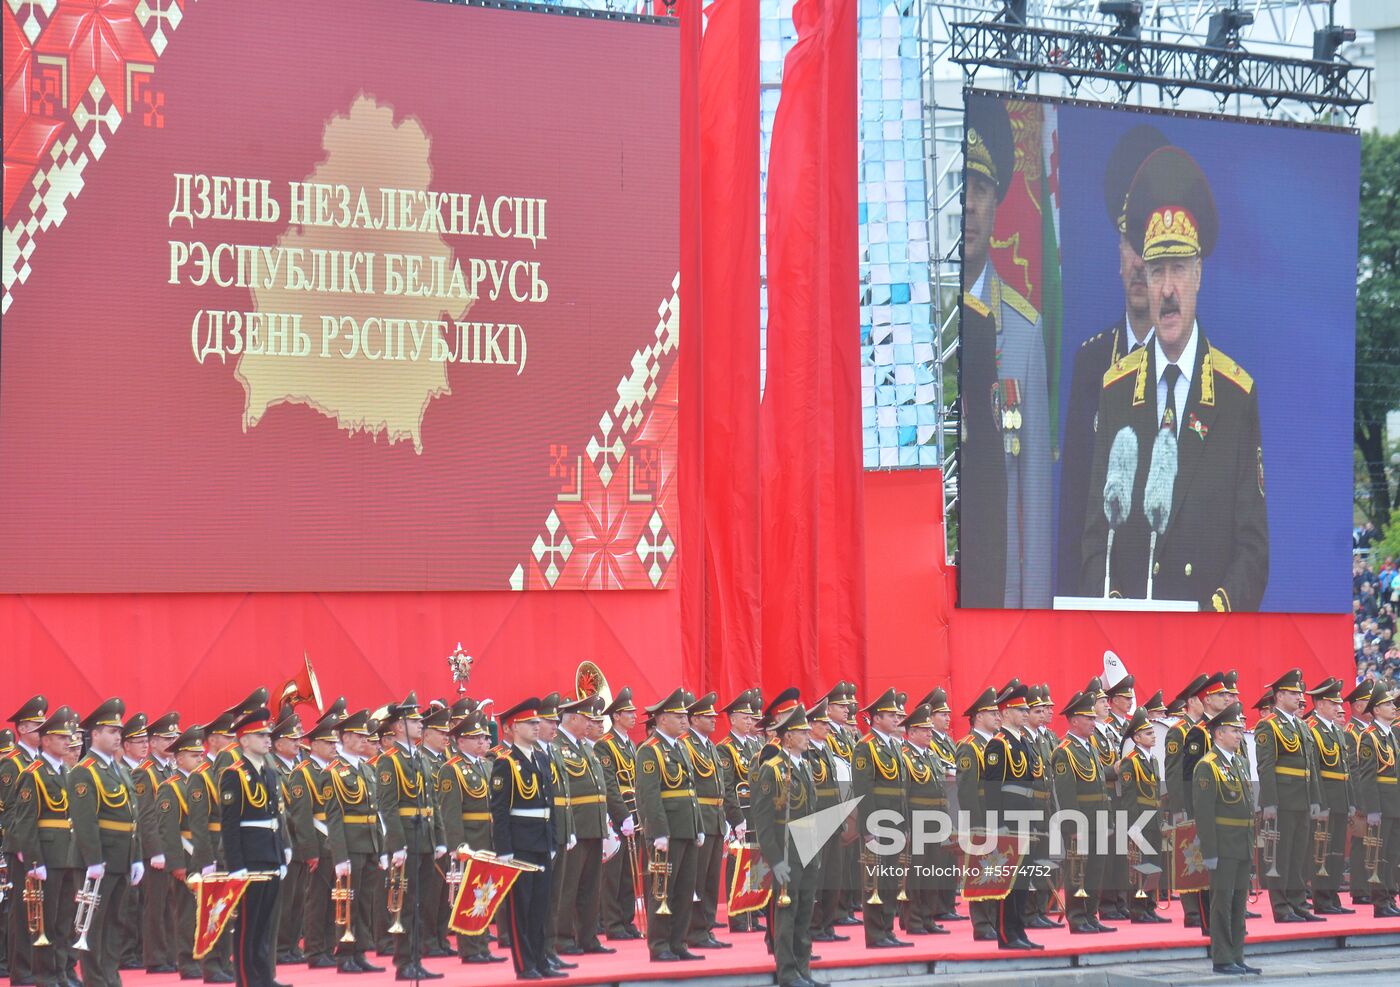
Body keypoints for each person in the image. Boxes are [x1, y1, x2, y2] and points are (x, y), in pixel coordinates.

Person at [1083, 145, 1269, 611]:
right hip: (1129, 642)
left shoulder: (1235, 396)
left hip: (1206, 641)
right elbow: (1094, 539)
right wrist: (1117, 610)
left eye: (1179, 269)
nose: (1167, 289)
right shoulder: (1115, 390)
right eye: (1156, 271)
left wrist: (1209, 621)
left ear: (1199, 275)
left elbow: (1253, 551)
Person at [1057, 124, 1168, 594]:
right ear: (1118, 255)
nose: (1140, 263)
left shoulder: (1195, 369)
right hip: (1101, 596)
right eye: (1130, 244)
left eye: (1151, 247)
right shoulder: (1092, 364)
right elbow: (1075, 506)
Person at [958, 94, 1051, 608]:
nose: (969, 204)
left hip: (995, 597)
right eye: (961, 186)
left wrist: (1030, 620)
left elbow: (1034, 504)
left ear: (996, 205)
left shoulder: (1022, 331)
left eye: (982, 188)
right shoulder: (921, 321)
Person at [68, 698, 144, 987]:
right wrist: (93, 859)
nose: (117, 736)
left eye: (119, 732)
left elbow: (132, 818)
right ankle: (95, 979)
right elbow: (85, 820)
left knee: (116, 922)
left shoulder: (120, 770)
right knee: (94, 924)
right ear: (95, 734)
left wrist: (136, 857)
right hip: (99, 859)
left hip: (122, 856)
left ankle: (111, 976)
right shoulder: (85, 770)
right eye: (111, 731)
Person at [375, 694, 446, 981]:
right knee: (406, 904)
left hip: (425, 837)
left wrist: (440, 837)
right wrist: (397, 844)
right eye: (414, 721)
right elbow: (388, 806)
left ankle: (417, 957)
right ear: (398, 727)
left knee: (421, 903)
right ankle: (405, 961)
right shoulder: (390, 761)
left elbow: (433, 801)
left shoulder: (420, 758)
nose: (420, 725)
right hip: (407, 838)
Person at [750, 705, 822, 987]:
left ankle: (804, 969)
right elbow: (763, 819)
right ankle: (788, 973)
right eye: (802, 732)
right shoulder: (772, 769)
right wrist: (774, 859)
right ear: (788, 736)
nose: (808, 736)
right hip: (786, 849)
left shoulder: (805, 766)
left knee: (805, 913)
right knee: (786, 913)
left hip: (807, 849)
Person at [489, 697, 559, 981]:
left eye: (537, 722)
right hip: (519, 844)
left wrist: (552, 840)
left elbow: (550, 804)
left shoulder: (541, 758)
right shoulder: (505, 763)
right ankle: (524, 964)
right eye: (529, 723)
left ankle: (541, 960)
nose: (536, 726)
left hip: (541, 841)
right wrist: (504, 849)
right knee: (521, 907)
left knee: (540, 906)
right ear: (513, 728)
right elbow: (499, 810)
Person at [8, 706, 80, 987]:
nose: (67, 742)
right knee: (46, 921)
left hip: (67, 854)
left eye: (68, 738)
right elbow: (26, 821)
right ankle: (46, 975)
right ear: (46, 740)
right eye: (61, 738)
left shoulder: (68, 773)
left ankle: (62, 972)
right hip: (47, 856)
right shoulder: (34, 774)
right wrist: (34, 862)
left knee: (64, 920)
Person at [633, 689, 703, 963]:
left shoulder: (681, 747)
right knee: (662, 889)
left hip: (687, 828)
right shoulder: (649, 750)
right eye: (678, 716)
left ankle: (678, 941)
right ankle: (660, 943)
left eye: (685, 715)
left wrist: (698, 825)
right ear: (662, 719)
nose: (685, 720)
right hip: (668, 831)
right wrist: (659, 832)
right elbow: (649, 795)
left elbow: (691, 791)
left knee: (685, 889)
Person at [219, 707, 286, 987]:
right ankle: (247, 980)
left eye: (268, 734)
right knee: (247, 924)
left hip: (269, 855)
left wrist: (281, 855)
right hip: (250, 858)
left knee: (264, 923)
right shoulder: (234, 774)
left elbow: (276, 818)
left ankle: (263, 976)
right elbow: (230, 825)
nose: (267, 739)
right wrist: (236, 866)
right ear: (244, 740)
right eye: (260, 735)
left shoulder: (269, 773)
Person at [1193, 701, 1261, 975]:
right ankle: (1222, 958)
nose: (1239, 734)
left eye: (1240, 729)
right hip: (1222, 844)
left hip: (1242, 842)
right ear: (1219, 733)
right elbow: (1204, 813)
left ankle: (1237, 955)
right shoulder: (1207, 766)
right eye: (1234, 730)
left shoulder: (1241, 763)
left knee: (1239, 902)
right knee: (1221, 903)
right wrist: (1209, 851)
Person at [1255, 668, 1326, 923]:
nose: (1299, 697)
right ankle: (1281, 906)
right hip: (1283, 800)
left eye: (1299, 693)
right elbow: (1266, 766)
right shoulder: (1269, 725)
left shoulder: (1301, 725)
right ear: (1280, 695)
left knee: (1299, 856)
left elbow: (1311, 766)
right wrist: (1270, 803)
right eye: (1294, 693)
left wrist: (1315, 798)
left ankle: (1298, 903)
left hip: (1302, 799)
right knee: (1280, 856)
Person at [285, 704, 350, 972]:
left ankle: (328, 946)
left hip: (336, 841)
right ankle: (314, 949)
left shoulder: (337, 769)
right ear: (313, 744)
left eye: (336, 742)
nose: (334, 746)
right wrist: (309, 851)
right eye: (328, 742)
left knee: (335, 899)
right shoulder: (303, 773)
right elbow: (301, 817)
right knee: (316, 900)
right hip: (319, 842)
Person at [437, 710, 503, 965]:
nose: (481, 742)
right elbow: (450, 811)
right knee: (468, 895)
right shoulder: (451, 770)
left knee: (486, 893)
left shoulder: (486, 765)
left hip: (488, 838)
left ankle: (482, 943)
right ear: (460, 741)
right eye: (475, 738)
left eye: (483, 737)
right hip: (470, 840)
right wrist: (457, 845)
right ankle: (469, 947)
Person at [980, 681, 1042, 950]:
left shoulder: (1023, 742)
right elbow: (992, 789)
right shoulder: (998, 744)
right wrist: (998, 825)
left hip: (1025, 816)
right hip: (1009, 819)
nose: (1026, 713)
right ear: (1006, 712)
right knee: (1009, 880)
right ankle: (1006, 934)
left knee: (1023, 878)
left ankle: (1019, 930)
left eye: (1027, 710)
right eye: (1021, 710)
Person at [552, 695, 614, 958]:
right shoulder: (556, 746)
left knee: (590, 887)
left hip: (593, 826)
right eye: (587, 718)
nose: (591, 723)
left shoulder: (586, 747)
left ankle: (588, 937)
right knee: (568, 886)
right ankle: (563, 938)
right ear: (573, 718)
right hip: (574, 826)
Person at [155, 725, 217, 981]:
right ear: (179, 758)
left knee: (209, 911)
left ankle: (207, 957)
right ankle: (187, 960)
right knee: (187, 913)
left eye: (201, 755)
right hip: (186, 854)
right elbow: (168, 830)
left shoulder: (204, 781)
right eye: (193, 756)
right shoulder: (171, 787)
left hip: (205, 853)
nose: (200, 759)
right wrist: (177, 863)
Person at [1050, 691, 1113, 934]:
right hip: (1081, 822)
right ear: (1075, 721)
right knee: (1078, 871)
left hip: (1099, 819)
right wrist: (1074, 826)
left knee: (1096, 871)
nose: (1093, 723)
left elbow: (1100, 787)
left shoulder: (1090, 748)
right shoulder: (1065, 751)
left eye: (1093, 718)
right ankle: (1077, 917)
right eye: (1089, 718)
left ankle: (1091, 914)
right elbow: (1066, 793)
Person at [328, 709, 385, 975]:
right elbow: (334, 818)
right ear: (346, 737)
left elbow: (375, 812)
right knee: (348, 902)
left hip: (369, 843)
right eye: (359, 735)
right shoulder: (334, 772)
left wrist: (381, 848)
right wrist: (340, 856)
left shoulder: (366, 769)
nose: (365, 740)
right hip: (350, 846)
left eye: (365, 736)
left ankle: (360, 951)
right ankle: (345, 954)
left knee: (364, 902)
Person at [854, 688, 911, 948]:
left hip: (896, 822)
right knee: (875, 880)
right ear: (876, 718)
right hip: (878, 822)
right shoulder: (866, 747)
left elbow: (902, 790)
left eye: (897, 715)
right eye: (891, 715)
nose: (897, 719)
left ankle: (888, 929)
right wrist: (868, 827)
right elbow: (863, 790)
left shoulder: (895, 746)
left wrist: (905, 824)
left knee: (891, 879)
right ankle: (876, 933)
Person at [3, 695, 49, 987]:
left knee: (40, 908)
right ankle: (20, 969)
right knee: (22, 909)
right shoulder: (12, 763)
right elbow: (7, 809)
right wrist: (20, 844)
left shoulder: (40, 762)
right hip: (20, 846)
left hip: (40, 845)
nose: (41, 731)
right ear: (21, 728)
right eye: (36, 725)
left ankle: (35, 964)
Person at [680, 692, 730, 952]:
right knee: (696, 879)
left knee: (711, 880)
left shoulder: (710, 746)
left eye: (713, 716)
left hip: (716, 817)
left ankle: (707, 927)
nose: (713, 720)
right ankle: (694, 930)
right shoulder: (686, 745)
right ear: (694, 719)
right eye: (707, 716)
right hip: (700, 816)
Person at [594, 688, 641, 942]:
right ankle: (613, 922)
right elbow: (610, 784)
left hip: (634, 815)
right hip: (617, 817)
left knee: (629, 873)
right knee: (613, 874)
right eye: (628, 712)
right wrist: (622, 815)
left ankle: (626, 919)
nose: (634, 716)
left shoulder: (630, 745)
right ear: (617, 716)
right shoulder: (606, 745)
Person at [715, 690, 763, 935]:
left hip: (757, 812)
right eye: (744, 717)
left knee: (755, 864)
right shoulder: (726, 748)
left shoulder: (754, 745)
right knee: (738, 865)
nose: (749, 721)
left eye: (750, 717)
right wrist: (735, 818)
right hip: (741, 814)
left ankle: (752, 910)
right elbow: (727, 786)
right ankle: (738, 917)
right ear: (732, 719)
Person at [955, 687, 1001, 941]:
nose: (998, 716)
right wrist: (976, 826)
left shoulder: (996, 744)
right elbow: (967, 790)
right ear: (979, 716)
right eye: (993, 713)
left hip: (997, 817)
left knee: (997, 870)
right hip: (981, 818)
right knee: (981, 871)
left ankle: (994, 920)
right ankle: (982, 924)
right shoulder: (970, 747)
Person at [1305, 678, 1354, 915]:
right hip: (1326, 799)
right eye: (1333, 703)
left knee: (1336, 852)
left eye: (1338, 703)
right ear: (1320, 704)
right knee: (1321, 851)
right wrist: (1320, 803)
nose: (1338, 708)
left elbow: (1345, 769)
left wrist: (1350, 801)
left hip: (1341, 799)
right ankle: (1322, 899)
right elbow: (1314, 770)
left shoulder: (1336, 730)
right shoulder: (1312, 728)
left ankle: (1333, 896)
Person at [137, 712, 181, 974]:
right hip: (157, 849)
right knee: (156, 904)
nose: (172, 741)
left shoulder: (170, 768)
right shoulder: (145, 772)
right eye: (167, 738)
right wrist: (154, 850)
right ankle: (155, 957)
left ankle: (172, 954)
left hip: (173, 845)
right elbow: (146, 814)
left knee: (173, 903)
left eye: (175, 736)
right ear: (152, 742)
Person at [1118, 707, 1169, 923]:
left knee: (1153, 864)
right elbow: (1129, 798)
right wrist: (1134, 826)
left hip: (1153, 818)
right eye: (1148, 733)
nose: (1153, 736)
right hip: (1140, 819)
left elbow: (1156, 794)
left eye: (1152, 732)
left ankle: (1150, 906)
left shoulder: (1152, 760)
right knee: (1140, 865)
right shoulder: (1130, 761)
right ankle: (1138, 909)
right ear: (1137, 738)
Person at [1354, 681, 1400, 917]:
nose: (1394, 707)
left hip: (1395, 804)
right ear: (1377, 710)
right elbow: (1367, 777)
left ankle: (1390, 897)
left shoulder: (1390, 735)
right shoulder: (1369, 737)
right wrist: (1372, 809)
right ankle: (1381, 903)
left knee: (1392, 855)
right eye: (1388, 704)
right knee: (1379, 855)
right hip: (1381, 804)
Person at [1345, 680, 1376, 906]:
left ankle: (1370, 886)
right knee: (1360, 843)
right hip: (1361, 796)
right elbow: (1353, 769)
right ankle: (1359, 889)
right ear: (1357, 706)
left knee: (1372, 843)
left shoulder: (1368, 731)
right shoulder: (1351, 732)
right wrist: (1360, 801)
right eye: (1369, 702)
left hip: (1373, 794)